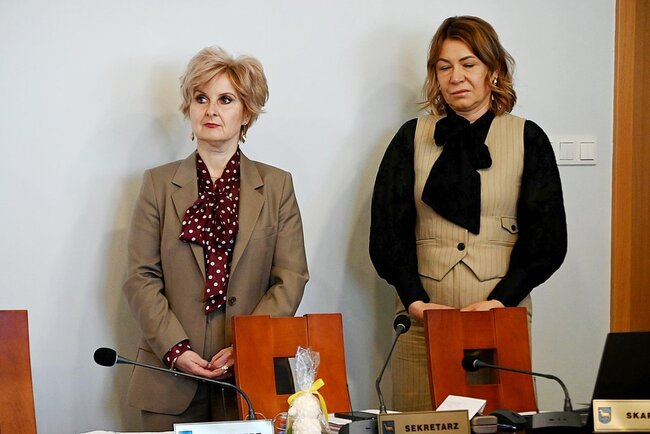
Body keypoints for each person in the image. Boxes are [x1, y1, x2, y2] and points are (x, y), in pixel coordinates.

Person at [369, 16, 567, 411]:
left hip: (500, 322)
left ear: (493, 70)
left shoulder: (528, 138)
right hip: (420, 326)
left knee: (501, 423)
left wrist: (501, 302)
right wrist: (415, 301)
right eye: (444, 67)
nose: (456, 76)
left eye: (468, 64)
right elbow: (388, 232)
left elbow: (547, 240)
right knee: (418, 426)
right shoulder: (410, 137)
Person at [122, 46, 309, 430]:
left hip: (248, 379)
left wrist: (246, 346)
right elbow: (140, 277)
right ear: (188, 108)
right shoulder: (157, 184)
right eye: (200, 98)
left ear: (247, 112)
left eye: (226, 100)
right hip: (168, 378)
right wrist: (175, 349)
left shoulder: (277, 185)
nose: (211, 110)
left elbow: (291, 277)